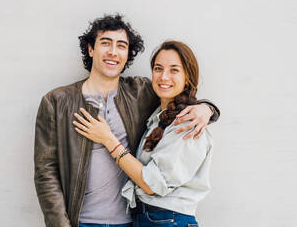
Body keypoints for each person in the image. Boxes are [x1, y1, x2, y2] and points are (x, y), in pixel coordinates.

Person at [34, 14, 219, 227]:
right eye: (105, 43)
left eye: (121, 45)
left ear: (127, 55)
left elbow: (177, 95)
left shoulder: (140, 93)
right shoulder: (56, 102)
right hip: (81, 221)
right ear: (90, 49)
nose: (113, 52)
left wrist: (207, 109)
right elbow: (45, 173)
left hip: (130, 221)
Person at [73, 40, 213, 227]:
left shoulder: (188, 123)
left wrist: (108, 139)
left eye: (174, 70)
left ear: (188, 76)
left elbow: (151, 184)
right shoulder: (158, 116)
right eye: (158, 68)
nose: (164, 77)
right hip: (147, 218)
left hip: (168, 220)